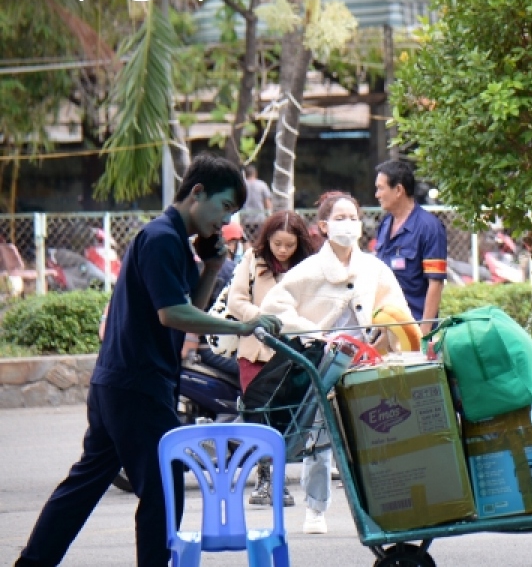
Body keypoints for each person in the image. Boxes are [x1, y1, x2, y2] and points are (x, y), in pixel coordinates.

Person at [14, 154, 283, 567]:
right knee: (164, 487)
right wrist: (243, 327)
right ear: (197, 193)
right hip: (137, 384)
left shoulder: (172, 241)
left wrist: (211, 265)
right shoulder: (161, 239)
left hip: (118, 382)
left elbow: (186, 308)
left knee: (86, 483)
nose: (226, 220)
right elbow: (171, 314)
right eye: (225, 207)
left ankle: (33, 562)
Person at [259, 192, 419, 535]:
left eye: (353, 217)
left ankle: (385, 507)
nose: (348, 224)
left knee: (378, 434)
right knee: (319, 436)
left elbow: (398, 313)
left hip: (367, 363)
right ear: (324, 226)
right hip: (324, 364)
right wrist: (312, 335)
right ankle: (315, 510)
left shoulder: (375, 268)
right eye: (340, 218)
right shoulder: (308, 270)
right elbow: (274, 306)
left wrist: (385, 339)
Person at [225, 210, 316, 507]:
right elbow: (236, 300)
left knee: (286, 415)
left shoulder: (308, 267)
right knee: (257, 413)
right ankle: (264, 479)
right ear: (268, 239)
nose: (282, 250)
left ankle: (278, 479)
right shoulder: (252, 259)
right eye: (278, 243)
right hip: (254, 350)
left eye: (289, 245)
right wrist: (259, 318)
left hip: (290, 352)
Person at [373, 159, 447, 335]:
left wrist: (424, 332)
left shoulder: (429, 227)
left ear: (398, 190)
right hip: (387, 328)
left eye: (381, 188)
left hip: (415, 328)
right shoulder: (385, 224)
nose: (377, 194)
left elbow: (435, 283)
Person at [240, 164, 273, 239]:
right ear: (255, 173)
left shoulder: (242, 185)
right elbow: (267, 203)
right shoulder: (262, 185)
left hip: (245, 220)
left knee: (246, 241)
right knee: (259, 240)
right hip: (259, 220)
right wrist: (270, 216)